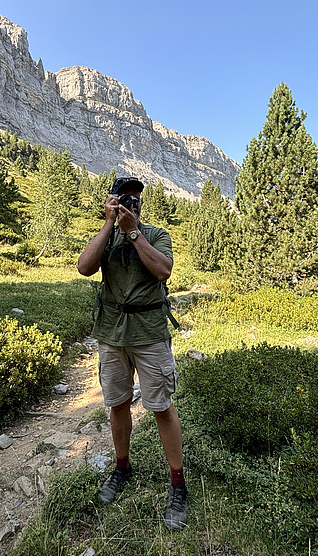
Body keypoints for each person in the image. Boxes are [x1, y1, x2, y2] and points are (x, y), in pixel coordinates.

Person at [76, 176, 187, 530]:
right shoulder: (106, 236)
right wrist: (108, 224)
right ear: (111, 200)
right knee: (118, 403)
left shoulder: (156, 234)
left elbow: (163, 270)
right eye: (122, 198)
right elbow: (84, 267)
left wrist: (134, 233)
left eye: (134, 199)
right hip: (111, 333)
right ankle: (122, 467)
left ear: (141, 204)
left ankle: (178, 484)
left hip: (149, 332)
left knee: (161, 407)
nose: (129, 203)